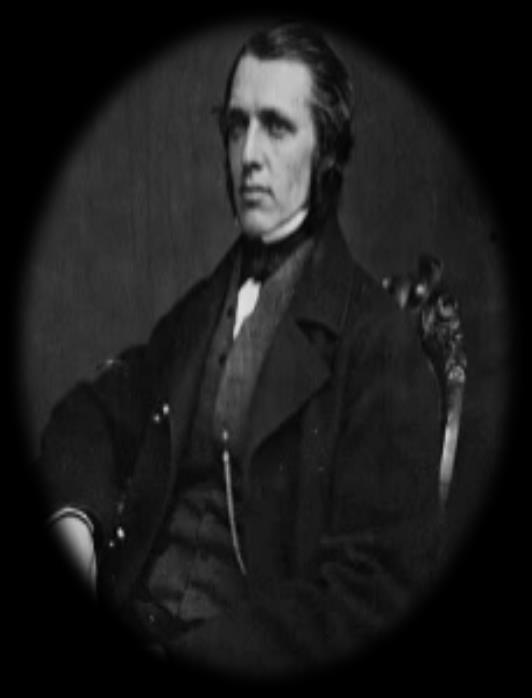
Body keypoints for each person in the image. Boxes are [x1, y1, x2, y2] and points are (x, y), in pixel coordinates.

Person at [39, 22, 442, 677]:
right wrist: (73, 520)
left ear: (326, 152)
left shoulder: (378, 345)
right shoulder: (205, 308)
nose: (248, 153)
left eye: (276, 127)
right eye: (236, 125)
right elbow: (92, 411)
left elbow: (372, 590)